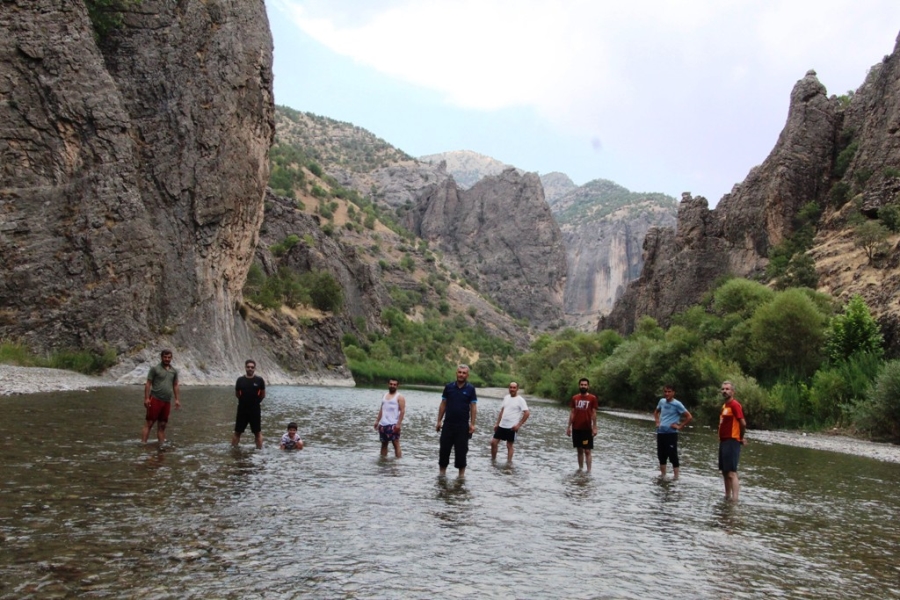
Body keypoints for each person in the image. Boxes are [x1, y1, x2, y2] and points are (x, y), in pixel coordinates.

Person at [436, 364, 478, 477]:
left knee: (461, 452)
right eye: (459, 372)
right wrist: (439, 421)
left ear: (467, 375)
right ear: (456, 373)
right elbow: (443, 404)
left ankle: (461, 478)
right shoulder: (449, 387)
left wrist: (472, 424)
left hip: (462, 426)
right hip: (448, 425)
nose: (461, 375)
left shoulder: (470, 389)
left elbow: (473, 406)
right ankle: (442, 476)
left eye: (464, 373)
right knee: (444, 451)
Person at [142, 349, 180, 445]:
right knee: (149, 423)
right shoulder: (155, 369)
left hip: (167, 401)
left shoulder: (173, 371)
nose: (167, 359)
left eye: (169, 357)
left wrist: (177, 399)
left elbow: (175, 385)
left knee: (162, 425)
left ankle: (161, 445)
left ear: (171, 358)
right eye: (165, 357)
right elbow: (148, 383)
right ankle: (143, 443)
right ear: (161, 357)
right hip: (155, 399)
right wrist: (146, 398)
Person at [654, 385, 693, 479]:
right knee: (661, 455)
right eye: (665, 392)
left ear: (673, 392)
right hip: (661, 432)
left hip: (671, 433)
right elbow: (656, 412)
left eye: (669, 391)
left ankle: (676, 477)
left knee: (672, 455)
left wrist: (680, 426)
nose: (667, 394)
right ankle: (663, 476)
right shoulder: (662, 401)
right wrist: (657, 422)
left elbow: (689, 416)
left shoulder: (677, 404)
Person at [719, 380, 747, 501]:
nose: (725, 391)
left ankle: (735, 500)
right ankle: (727, 496)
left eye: (727, 389)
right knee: (725, 471)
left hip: (732, 440)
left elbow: (743, 423)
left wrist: (740, 438)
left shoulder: (735, 405)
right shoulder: (725, 406)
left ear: (733, 391)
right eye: (723, 389)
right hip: (723, 441)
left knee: (731, 472)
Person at [491, 381, 530, 462]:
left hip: (512, 427)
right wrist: (497, 423)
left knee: (509, 445)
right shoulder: (506, 398)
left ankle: (509, 463)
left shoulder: (520, 400)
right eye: (511, 387)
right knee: (493, 443)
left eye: (514, 388)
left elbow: (527, 413)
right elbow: (502, 411)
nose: (512, 389)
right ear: (508, 388)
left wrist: (519, 425)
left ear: (517, 389)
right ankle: (493, 461)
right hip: (502, 425)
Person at [231, 359, 266, 449]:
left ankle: (259, 451)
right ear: (245, 368)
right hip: (242, 410)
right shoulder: (240, 380)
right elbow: (237, 394)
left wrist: (255, 402)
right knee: (237, 432)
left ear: (254, 369)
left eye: (252, 367)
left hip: (255, 410)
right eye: (248, 367)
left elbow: (262, 394)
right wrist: (244, 401)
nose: (250, 368)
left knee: (257, 432)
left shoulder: (259, 380)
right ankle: (234, 450)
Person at [566, 377, 598, 472]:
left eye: (585, 385)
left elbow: (594, 413)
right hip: (576, 428)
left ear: (588, 386)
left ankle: (589, 471)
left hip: (587, 429)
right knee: (579, 450)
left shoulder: (592, 398)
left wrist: (594, 427)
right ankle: (580, 470)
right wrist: (568, 427)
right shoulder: (575, 398)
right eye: (581, 385)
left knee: (587, 450)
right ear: (579, 386)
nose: (583, 386)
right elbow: (572, 412)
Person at [374, 378, 406, 458]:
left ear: (397, 386)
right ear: (388, 384)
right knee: (384, 444)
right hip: (383, 424)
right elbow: (382, 409)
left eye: (394, 385)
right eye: (391, 384)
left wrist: (398, 424)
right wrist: (377, 421)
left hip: (393, 424)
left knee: (396, 443)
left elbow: (402, 411)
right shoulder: (384, 395)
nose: (392, 386)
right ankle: (383, 462)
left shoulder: (400, 397)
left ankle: (397, 463)